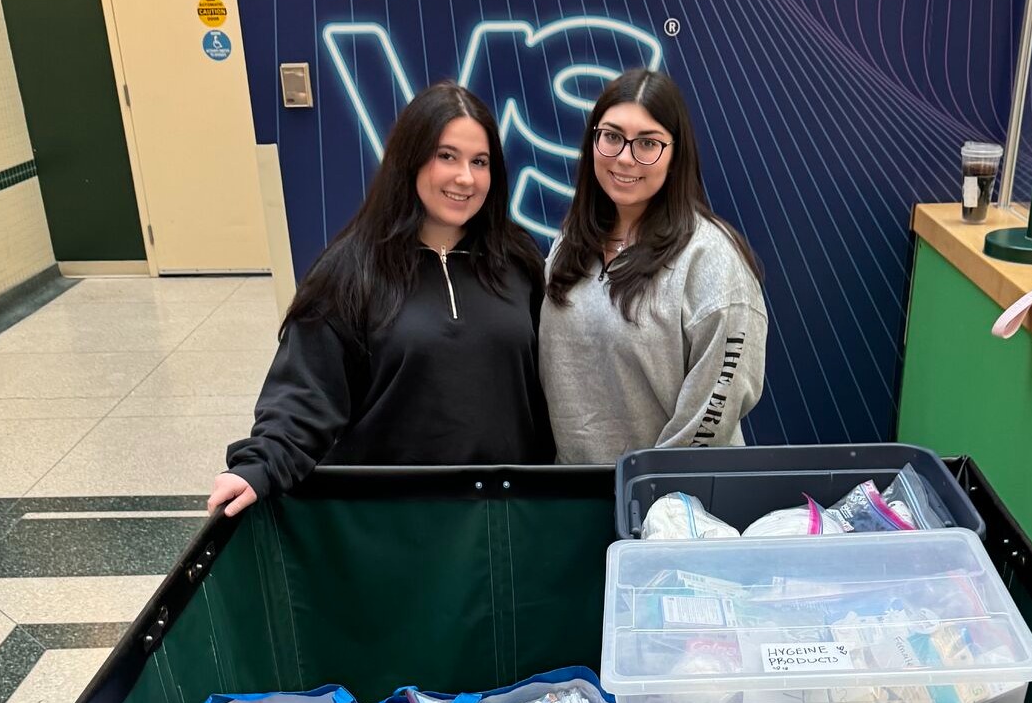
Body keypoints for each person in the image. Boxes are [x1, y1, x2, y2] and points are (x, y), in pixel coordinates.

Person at [208, 82, 552, 517]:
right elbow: (305, 393)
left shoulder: (518, 260)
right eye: (446, 156)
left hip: (506, 514)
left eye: (479, 162)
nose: (465, 177)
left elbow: (550, 385)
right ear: (409, 160)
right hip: (393, 518)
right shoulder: (350, 270)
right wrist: (257, 466)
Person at [540, 69, 768, 464]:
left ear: (676, 153)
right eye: (611, 136)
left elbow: (712, 414)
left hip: (672, 508)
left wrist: (652, 496)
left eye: (647, 143)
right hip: (573, 500)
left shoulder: (710, 260)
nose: (625, 158)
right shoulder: (569, 244)